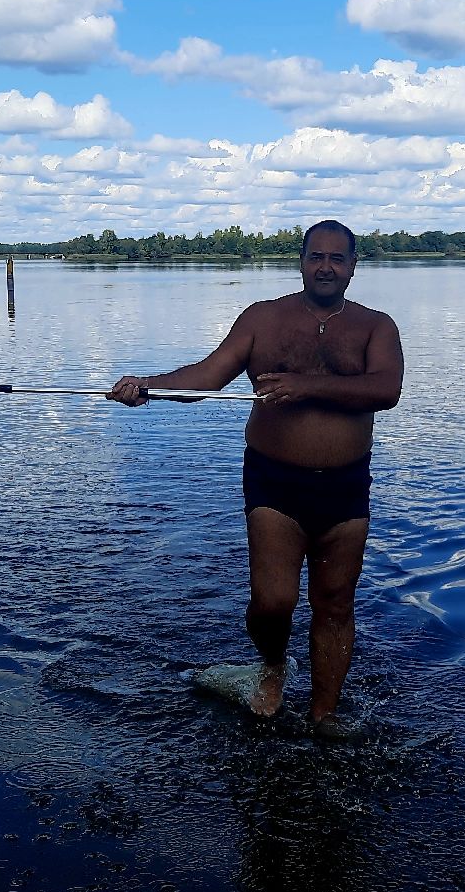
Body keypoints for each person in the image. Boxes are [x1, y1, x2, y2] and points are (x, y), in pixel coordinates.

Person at [109, 220, 404, 732]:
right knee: (273, 603)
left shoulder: (376, 326)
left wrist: (307, 386)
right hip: (275, 483)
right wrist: (147, 386)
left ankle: (324, 715)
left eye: (337, 258)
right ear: (301, 261)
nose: (326, 266)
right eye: (316, 256)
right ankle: (271, 664)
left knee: (335, 603)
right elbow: (208, 375)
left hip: (345, 486)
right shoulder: (263, 318)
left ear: (354, 265)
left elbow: (386, 389)